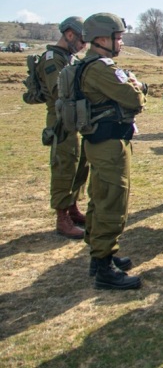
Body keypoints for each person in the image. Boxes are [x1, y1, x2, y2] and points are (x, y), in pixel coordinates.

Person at [79, 13, 147, 290]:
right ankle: (104, 267)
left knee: (99, 196)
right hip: (109, 143)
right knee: (112, 200)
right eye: (117, 37)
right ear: (102, 39)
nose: (120, 42)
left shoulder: (87, 65)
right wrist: (137, 86)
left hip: (100, 141)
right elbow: (134, 98)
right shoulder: (100, 68)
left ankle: (99, 256)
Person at [37, 17, 89, 239]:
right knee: (64, 166)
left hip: (74, 116)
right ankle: (62, 218)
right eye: (81, 40)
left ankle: (73, 208)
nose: (83, 46)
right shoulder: (52, 60)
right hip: (60, 120)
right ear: (69, 35)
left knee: (79, 164)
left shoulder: (67, 58)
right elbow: (60, 93)